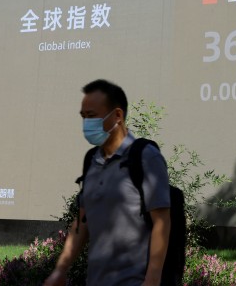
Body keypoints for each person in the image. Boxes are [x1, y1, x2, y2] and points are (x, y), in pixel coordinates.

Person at [44, 80, 171, 286]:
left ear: (117, 115)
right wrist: (60, 270)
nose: (86, 123)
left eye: (92, 115)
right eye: (83, 116)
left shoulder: (145, 157)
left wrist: (152, 280)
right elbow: (81, 223)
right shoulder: (92, 160)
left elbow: (162, 222)